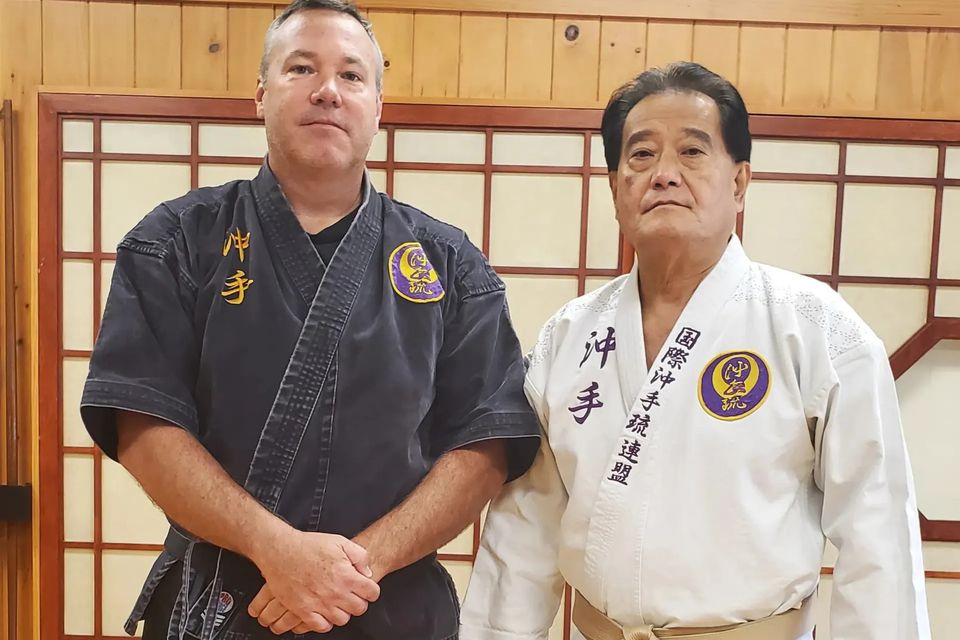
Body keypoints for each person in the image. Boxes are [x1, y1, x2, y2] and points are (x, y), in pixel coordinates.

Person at [80, 1, 539, 639]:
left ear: (378, 106)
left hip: (384, 601)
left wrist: (346, 571)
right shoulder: (176, 241)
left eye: (352, 76)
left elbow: (486, 441)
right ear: (261, 95)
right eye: (301, 68)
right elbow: (141, 421)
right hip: (227, 601)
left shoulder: (449, 262)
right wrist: (275, 550)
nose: (328, 90)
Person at [459, 61, 930, 640]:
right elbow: (523, 534)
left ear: (739, 183)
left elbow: (876, 528)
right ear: (614, 190)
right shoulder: (569, 338)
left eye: (692, 151)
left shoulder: (815, 330)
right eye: (640, 155)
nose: (663, 174)